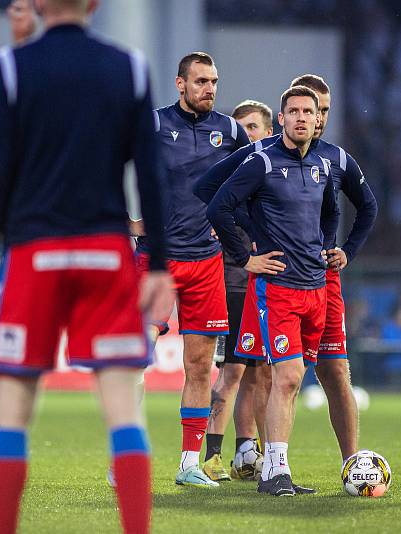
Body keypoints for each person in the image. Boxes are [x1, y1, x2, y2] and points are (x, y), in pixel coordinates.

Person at [0, 0, 173, 532]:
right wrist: (158, 265)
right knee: (123, 414)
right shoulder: (128, 66)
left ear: (38, 5)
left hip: (33, 254)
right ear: (95, 4)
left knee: (12, 413)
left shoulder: (13, 67)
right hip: (104, 255)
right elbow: (151, 174)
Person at [195, 74, 378, 462]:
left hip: (321, 281)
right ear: (284, 117)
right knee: (255, 369)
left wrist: (344, 250)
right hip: (273, 278)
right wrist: (253, 233)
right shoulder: (262, 155)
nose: (315, 117)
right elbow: (209, 189)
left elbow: (352, 209)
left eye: (320, 111)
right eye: (304, 110)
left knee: (333, 372)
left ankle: (351, 462)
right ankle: (252, 455)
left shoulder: (333, 160)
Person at [207, 85, 338, 496]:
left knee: (290, 381)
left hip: (314, 288)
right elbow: (217, 205)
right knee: (286, 375)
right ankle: (271, 471)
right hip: (276, 288)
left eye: (308, 111)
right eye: (293, 111)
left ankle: (276, 468)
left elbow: (334, 211)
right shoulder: (261, 162)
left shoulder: (323, 165)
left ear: (318, 119)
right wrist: (246, 256)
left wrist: (335, 247)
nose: (301, 117)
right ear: (281, 119)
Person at [134, 51, 250, 488]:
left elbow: (258, 180)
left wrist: (236, 228)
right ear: (180, 84)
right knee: (135, 360)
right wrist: (124, 222)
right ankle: (126, 452)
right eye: (201, 81)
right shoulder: (153, 124)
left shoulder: (230, 131)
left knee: (200, 366)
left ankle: (188, 465)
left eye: (214, 82)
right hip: (157, 260)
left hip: (206, 262)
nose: (210, 89)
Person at [203, 100, 273, 482]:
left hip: (265, 287)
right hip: (232, 285)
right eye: (240, 128)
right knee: (231, 372)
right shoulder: (230, 179)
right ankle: (212, 456)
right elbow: (207, 207)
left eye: (252, 127)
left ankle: (250, 452)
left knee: (262, 375)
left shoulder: (272, 174)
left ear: (266, 131)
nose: (245, 135)